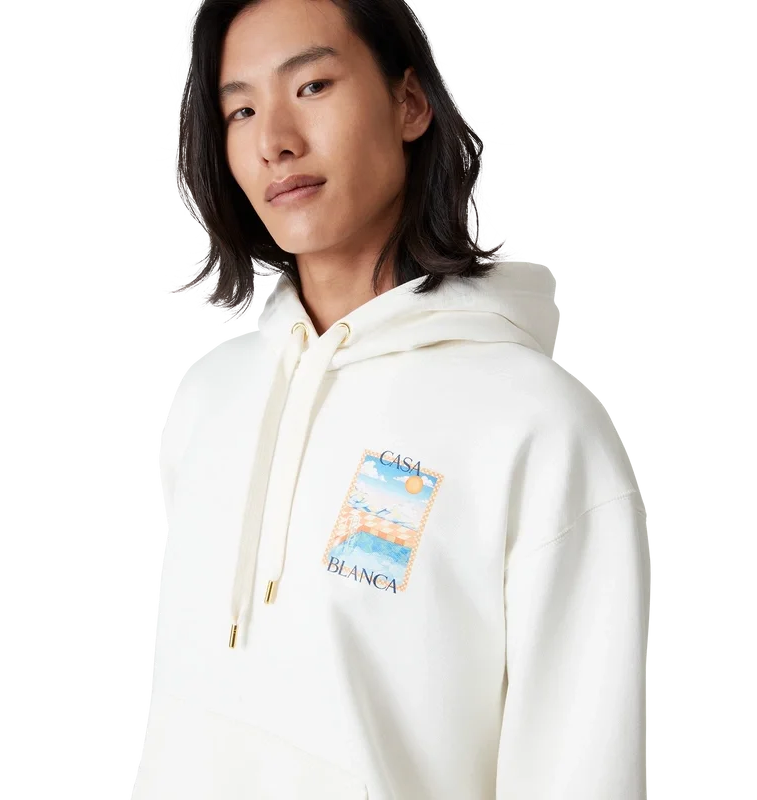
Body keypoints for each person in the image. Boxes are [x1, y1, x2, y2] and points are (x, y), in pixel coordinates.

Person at [139, 0, 651, 797]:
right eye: (241, 110)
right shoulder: (208, 396)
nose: (275, 140)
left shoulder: (537, 426)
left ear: (409, 103)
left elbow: (582, 768)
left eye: (311, 87)